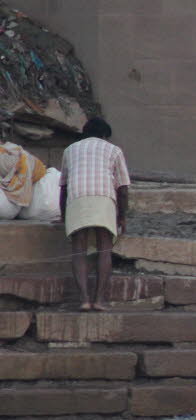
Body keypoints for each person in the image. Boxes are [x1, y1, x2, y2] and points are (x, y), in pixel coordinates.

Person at [58, 118, 130, 311]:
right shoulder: (114, 150)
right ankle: (98, 300)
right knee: (104, 249)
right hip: (104, 198)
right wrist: (122, 216)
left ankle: (84, 300)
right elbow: (123, 189)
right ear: (105, 135)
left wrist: (64, 214)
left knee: (79, 250)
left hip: (76, 199)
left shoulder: (70, 150)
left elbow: (63, 187)